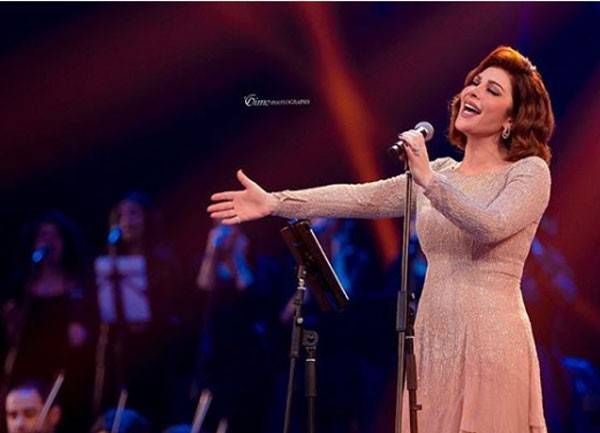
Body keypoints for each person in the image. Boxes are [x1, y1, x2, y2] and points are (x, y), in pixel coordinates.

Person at [208, 46, 554, 433]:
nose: (474, 91)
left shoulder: (528, 172)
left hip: (491, 339)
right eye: (475, 82)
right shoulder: (440, 171)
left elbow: (491, 226)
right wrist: (275, 202)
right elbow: (362, 198)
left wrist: (430, 182)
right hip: (433, 339)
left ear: (511, 120)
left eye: (493, 90)